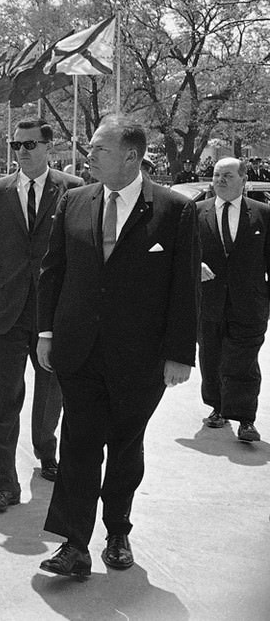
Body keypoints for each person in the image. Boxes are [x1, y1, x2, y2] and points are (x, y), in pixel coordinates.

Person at [36, 115, 199, 579]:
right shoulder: (73, 202)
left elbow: (185, 287)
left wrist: (180, 354)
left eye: (99, 149)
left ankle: (118, 531)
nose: (89, 156)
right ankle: (74, 544)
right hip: (79, 350)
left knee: (126, 447)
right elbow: (54, 272)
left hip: (141, 358)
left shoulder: (173, 209)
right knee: (79, 446)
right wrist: (47, 333)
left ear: (131, 155)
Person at [0, 119, 82, 514]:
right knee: (5, 397)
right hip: (8, 311)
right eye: (15, 145)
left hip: (54, 313)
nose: (21, 151)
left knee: (51, 390)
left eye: (30, 144)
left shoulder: (74, 189)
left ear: (49, 146)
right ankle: (6, 482)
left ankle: (45, 448)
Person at [197, 157, 266, 443]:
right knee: (211, 356)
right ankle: (217, 408)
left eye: (227, 175)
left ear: (243, 180)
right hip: (209, 302)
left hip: (249, 304)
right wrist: (195, 265)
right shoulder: (196, 212)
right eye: (216, 175)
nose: (220, 180)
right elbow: (181, 252)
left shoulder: (263, 214)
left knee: (243, 361)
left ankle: (245, 418)